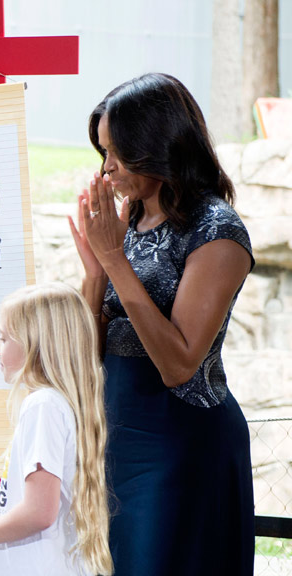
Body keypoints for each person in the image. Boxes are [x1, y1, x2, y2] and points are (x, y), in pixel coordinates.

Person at [68, 73, 255, 575]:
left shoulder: (217, 232)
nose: (106, 169)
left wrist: (113, 261)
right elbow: (89, 353)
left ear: (158, 146)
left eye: (117, 153)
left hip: (181, 447)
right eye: (102, 153)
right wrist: (94, 272)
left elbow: (179, 364)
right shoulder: (129, 221)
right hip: (117, 440)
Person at [0, 283, 112, 576]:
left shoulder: (42, 406)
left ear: (35, 345)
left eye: (3, 338)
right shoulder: (59, 404)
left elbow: (39, 512)